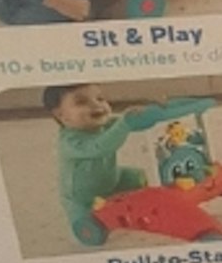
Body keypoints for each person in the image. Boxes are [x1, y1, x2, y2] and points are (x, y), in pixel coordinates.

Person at [44, 83, 160, 234]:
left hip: (110, 177)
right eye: (81, 102)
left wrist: (146, 115)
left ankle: (127, 203)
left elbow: (126, 123)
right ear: (62, 116)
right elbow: (100, 146)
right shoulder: (70, 142)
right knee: (89, 222)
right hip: (82, 197)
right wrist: (124, 125)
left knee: (136, 177)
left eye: (100, 98)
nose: (96, 105)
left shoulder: (102, 125)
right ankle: (88, 220)